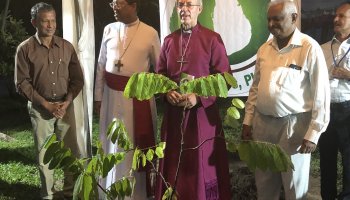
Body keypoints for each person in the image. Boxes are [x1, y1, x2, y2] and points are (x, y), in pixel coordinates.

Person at [241, 0, 330, 199]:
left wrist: (313, 133)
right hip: (262, 124)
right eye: (269, 19)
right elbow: (255, 88)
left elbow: (321, 93)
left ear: (294, 18)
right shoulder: (264, 49)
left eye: (277, 19)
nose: (272, 24)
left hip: (294, 127)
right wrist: (248, 120)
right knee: (264, 182)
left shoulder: (309, 48)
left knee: (294, 186)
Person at [154, 0, 231, 199]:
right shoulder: (169, 41)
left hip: (202, 117)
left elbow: (225, 78)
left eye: (190, 4)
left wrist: (199, 97)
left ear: (200, 8)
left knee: (200, 166)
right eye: (181, 4)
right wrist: (166, 92)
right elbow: (160, 76)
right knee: (173, 167)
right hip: (174, 118)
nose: (185, 9)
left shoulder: (212, 39)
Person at [14, 2, 84, 200]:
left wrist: (67, 102)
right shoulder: (24, 49)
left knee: (71, 153)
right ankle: (49, 195)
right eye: (45, 21)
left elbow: (78, 79)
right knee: (45, 156)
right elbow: (22, 83)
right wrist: (46, 104)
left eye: (53, 20)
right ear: (34, 22)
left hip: (65, 107)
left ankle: (71, 193)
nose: (50, 25)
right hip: (40, 109)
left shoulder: (66, 46)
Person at [93, 0, 160, 199]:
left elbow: (160, 69)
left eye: (119, 3)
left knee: (133, 147)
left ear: (133, 5)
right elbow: (100, 66)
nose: (114, 7)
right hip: (111, 99)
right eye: (113, 3)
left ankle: (137, 194)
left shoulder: (150, 33)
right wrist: (98, 97)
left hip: (138, 101)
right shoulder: (108, 29)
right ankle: (109, 191)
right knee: (111, 144)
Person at [319, 2, 350, 200]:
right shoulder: (322, 48)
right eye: (335, 15)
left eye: (342, 16)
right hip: (325, 110)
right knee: (326, 160)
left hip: (348, 109)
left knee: (349, 161)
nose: (336, 19)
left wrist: (348, 75)